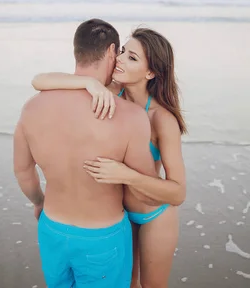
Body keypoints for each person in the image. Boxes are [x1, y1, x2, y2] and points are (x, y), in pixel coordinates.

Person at [32, 26, 187, 288]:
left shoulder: (162, 119)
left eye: (132, 58)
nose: (121, 59)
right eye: (123, 51)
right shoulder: (110, 93)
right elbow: (39, 81)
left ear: (150, 73)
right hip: (121, 215)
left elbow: (178, 193)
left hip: (154, 216)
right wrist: (88, 82)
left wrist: (125, 175)